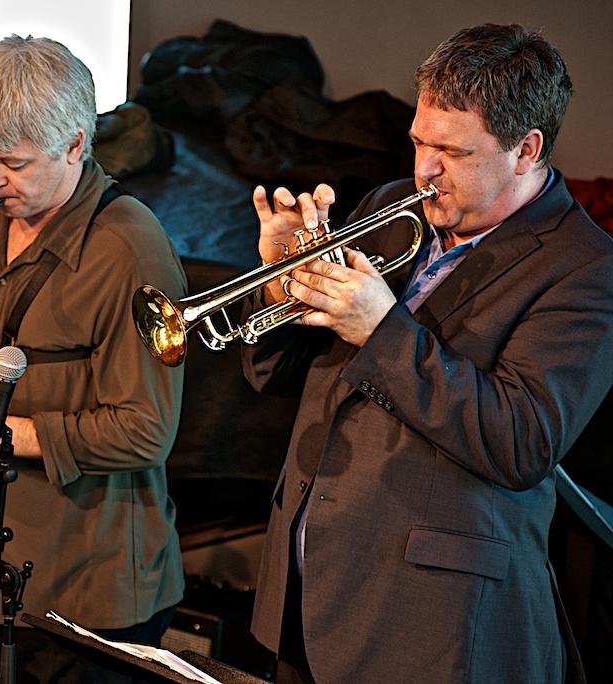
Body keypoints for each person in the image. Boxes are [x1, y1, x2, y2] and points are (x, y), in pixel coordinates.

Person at [240, 24, 613, 684]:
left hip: (430, 632)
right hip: (306, 602)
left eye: (452, 150)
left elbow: (521, 442)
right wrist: (281, 283)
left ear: (526, 150)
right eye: (419, 141)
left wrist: (381, 330)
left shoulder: (587, 268)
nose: (423, 170)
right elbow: (274, 373)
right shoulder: (389, 205)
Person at [0, 35, 187, 681]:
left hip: (89, 590)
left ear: (76, 144)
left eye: (14, 163)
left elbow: (147, 431)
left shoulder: (130, 250)